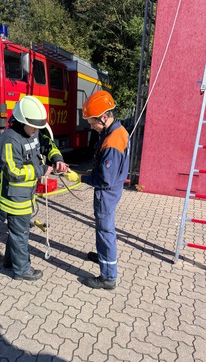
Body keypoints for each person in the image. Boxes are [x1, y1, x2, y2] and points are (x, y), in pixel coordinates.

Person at [0, 95, 67, 281]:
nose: (36, 130)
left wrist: (57, 159)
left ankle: (10, 263)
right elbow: (13, 171)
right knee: (20, 234)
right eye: (33, 126)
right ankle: (22, 271)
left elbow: (49, 145)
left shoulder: (34, 132)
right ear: (21, 121)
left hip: (26, 196)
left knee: (17, 232)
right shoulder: (9, 139)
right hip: (14, 199)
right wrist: (41, 169)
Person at [64, 90, 130, 290]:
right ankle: (103, 258)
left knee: (104, 231)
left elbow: (104, 179)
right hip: (112, 190)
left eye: (93, 123)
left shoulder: (112, 142)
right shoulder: (117, 131)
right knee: (104, 230)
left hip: (106, 194)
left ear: (104, 117)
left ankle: (108, 276)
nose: (92, 127)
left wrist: (80, 177)